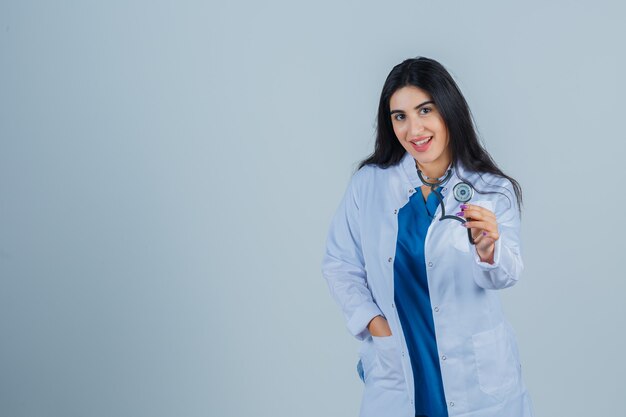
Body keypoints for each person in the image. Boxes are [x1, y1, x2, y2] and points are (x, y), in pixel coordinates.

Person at [321, 57, 535, 417]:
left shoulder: (491, 190)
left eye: (425, 110)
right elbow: (339, 263)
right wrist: (374, 323)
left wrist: (487, 249)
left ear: (448, 111)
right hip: (399, 362)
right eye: (399, 116)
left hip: (475, 375)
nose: (413, 128)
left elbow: (505, 274)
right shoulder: (369, 184)